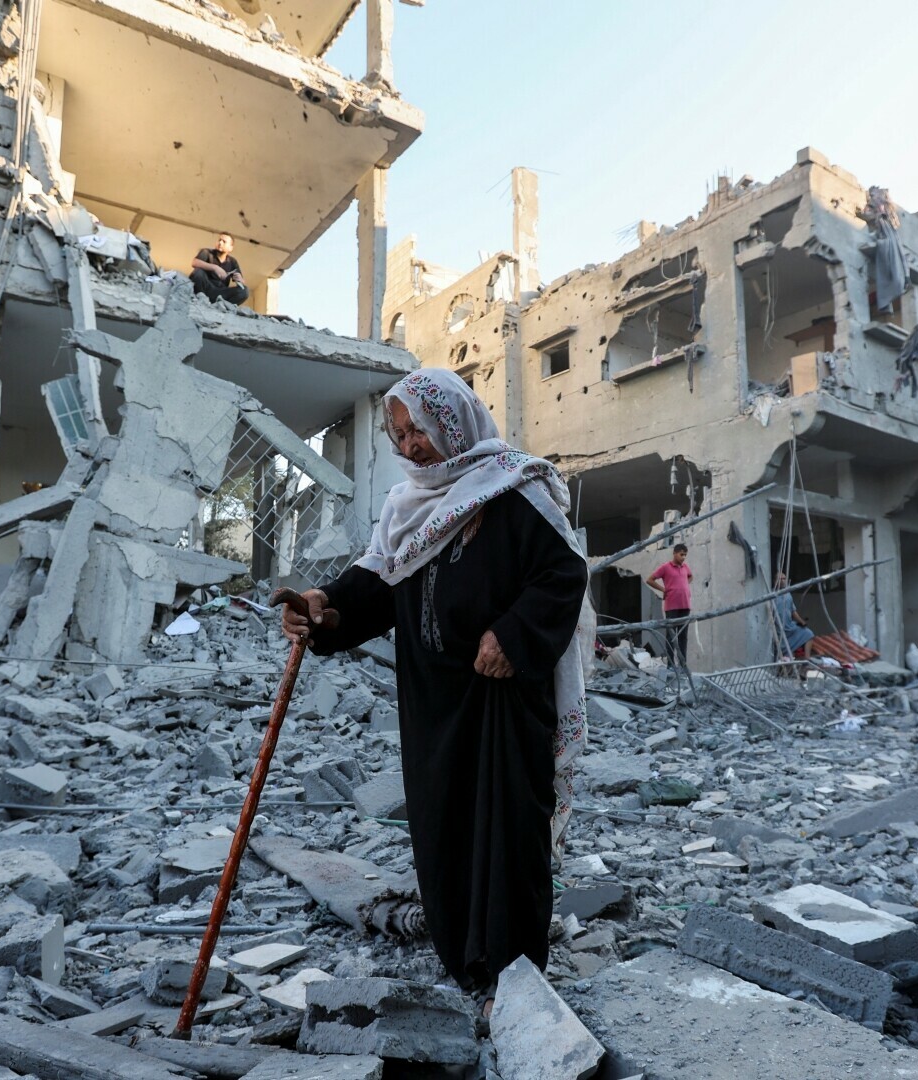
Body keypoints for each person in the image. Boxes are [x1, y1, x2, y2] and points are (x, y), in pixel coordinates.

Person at [280, 368, 590, 1008]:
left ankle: (516, 974)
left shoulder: (514, 489)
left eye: (417, 428)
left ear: (452, 422)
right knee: (442, 824)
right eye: (398, 434)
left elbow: (564, 572)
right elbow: (373, 589)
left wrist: (513, 634)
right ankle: (464, 960)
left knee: (508, 827)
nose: (408, 445)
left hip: (501, 697)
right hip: (433, 703)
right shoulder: (406, 508)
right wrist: (323, 607)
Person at [646, 544, 694, 669]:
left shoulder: (685, 567)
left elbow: (690, 576)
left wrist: (684, 586)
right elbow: (650, 580)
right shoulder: (666, 567)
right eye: (681, 554)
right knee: (671, 636)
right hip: (672, 606)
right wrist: (663, 589)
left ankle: (683, 665)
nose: (683, 557)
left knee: (683, 636)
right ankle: (671, 665)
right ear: (674, 553)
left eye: (685, 555)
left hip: (685, 605)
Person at [190, 232, 249, 305]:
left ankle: (223, 307)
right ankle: (200, 300)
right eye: (219, 240)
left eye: (224, 242)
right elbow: (195, 263)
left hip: (220, 294)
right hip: (204, 289)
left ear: (230, 248)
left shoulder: (232, 261)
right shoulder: (207, 252)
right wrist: (215, 267)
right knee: (198, 272)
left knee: (244, 291)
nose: (220, 243)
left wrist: (240, 280)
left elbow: (241, 283)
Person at [772, 571, 815, 660]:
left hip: (791, 627)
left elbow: (793, 612)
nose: (783, 581)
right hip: (780, 631)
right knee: (788, 656)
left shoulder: (788, 594)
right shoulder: (772, 596)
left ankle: (807, 659)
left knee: (809, 634)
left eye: (784, 578)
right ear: (775, 581)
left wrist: (801, 621)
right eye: (780, 579)